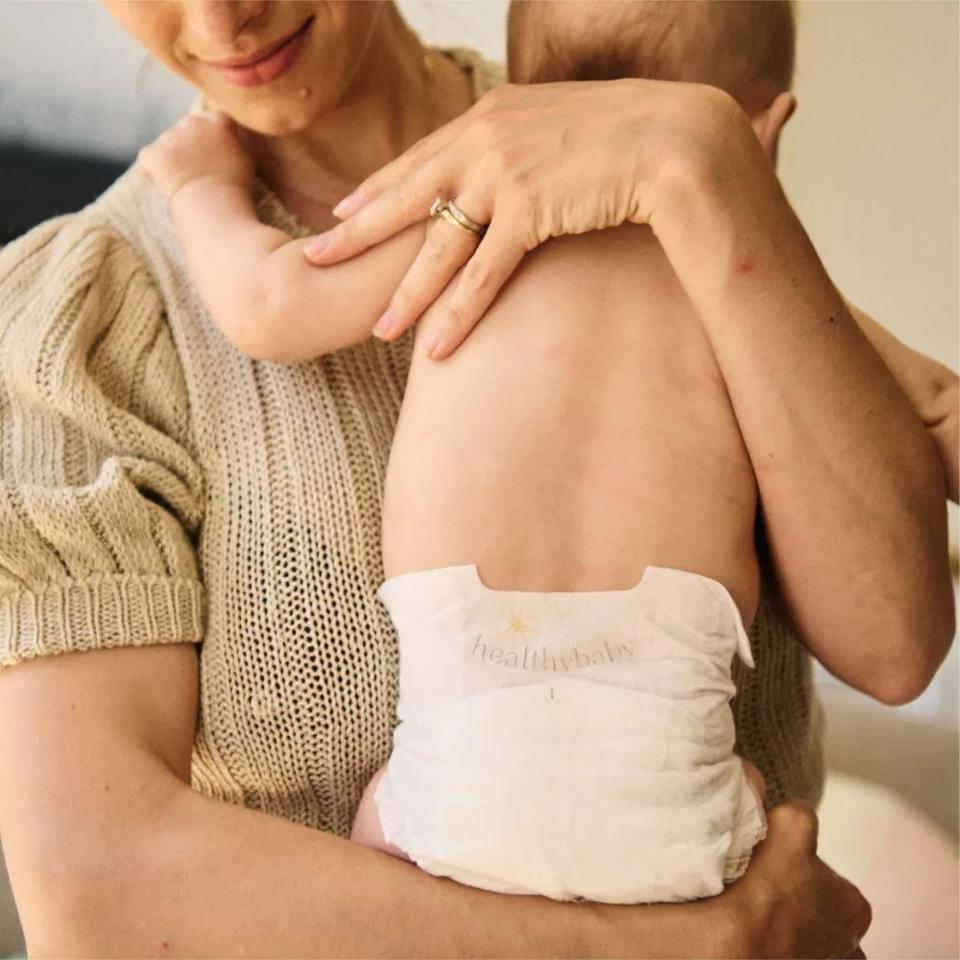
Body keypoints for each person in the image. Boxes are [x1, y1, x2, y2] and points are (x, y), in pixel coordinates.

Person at [0, 0, 955, 954]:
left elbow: (897, 646)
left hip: (449, 816)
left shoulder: (683, 166)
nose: (223, 15)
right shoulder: (82, 320)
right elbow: (94, 895)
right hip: (703, 848)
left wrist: (705, 170)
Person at [132, 0, 822, 904]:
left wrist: (198, 186)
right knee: (761, 810)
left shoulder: (490, 201)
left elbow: (269, 306)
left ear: (512, 106)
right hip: (680, 812)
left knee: (378, 857)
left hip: (446, 799)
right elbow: (910, 398)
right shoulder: (741, 280)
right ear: (762, 133)